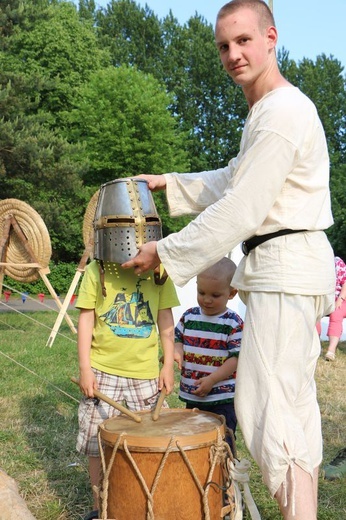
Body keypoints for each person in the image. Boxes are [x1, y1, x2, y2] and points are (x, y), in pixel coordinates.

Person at [122, 1, 336, 518]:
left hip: (284, 268)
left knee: (271, 418)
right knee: (290, 415)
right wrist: (169, 185)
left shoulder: (283, 112)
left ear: (271, 38)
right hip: (285, 267)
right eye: (224, 45)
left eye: (243, 40)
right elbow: (231, 179)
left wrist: (166, 253)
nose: (233, 54)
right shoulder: (268, 113)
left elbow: (243, 207)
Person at [76, 260, 179, 520]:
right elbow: (86, 318)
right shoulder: (96, 270)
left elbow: (165, 317)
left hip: (144, 375)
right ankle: (101, 506)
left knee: (152, 440)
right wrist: (85, 368)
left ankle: (147, 500)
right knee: (95, 443)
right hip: (102, 371)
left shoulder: (159, 270)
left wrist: (167, 365)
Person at [174, 257, 243, 454]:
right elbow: (177, 337)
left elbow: (236, 358)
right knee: (193, 441)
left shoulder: (233, 323)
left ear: (231, 293)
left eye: (215, 295)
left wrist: (212, 380)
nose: (207, 299)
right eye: (201, 292)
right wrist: (178, 350)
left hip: (222, 398)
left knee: (223, 441)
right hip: (194, 395)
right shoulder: (189, 316)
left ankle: (223, 478)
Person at [323, 256, 346, 361]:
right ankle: (312, 347)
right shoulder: (315, 264)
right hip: (323, 299)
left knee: (336, 313)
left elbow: (345, 283)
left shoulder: (337, 262)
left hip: (340, 297)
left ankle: (331, 351)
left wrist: (340, 299)